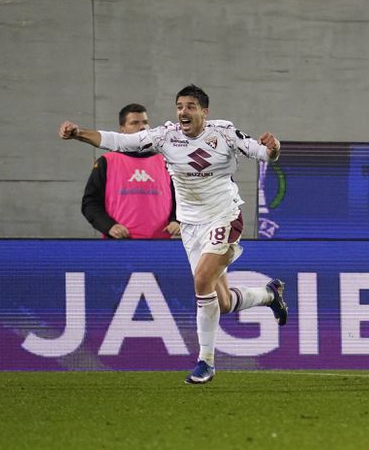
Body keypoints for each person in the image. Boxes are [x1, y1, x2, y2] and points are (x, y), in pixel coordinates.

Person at [60, 84, 288, 385]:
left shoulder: (225, 133)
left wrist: (273, 148)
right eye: (180, 106)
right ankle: (270, 294)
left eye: (191, 106)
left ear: (204, 112)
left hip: (224, 218)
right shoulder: (165, 136)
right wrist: (79, 134)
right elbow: (121, 141)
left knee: (201, 281)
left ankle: (206, 361)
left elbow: (263, 154)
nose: (183, 112)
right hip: (191, 227)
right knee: (222, 303)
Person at [81, 103, 180, 239]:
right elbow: (90, 203)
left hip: (160, 246)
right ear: (122, 130)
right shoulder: (107, 161)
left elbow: (182, 197)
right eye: (134, 123)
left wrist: (177, 220)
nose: (142, 127)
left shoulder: (166, 160)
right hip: (119, 245)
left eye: (145, 122)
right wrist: (109, 226)